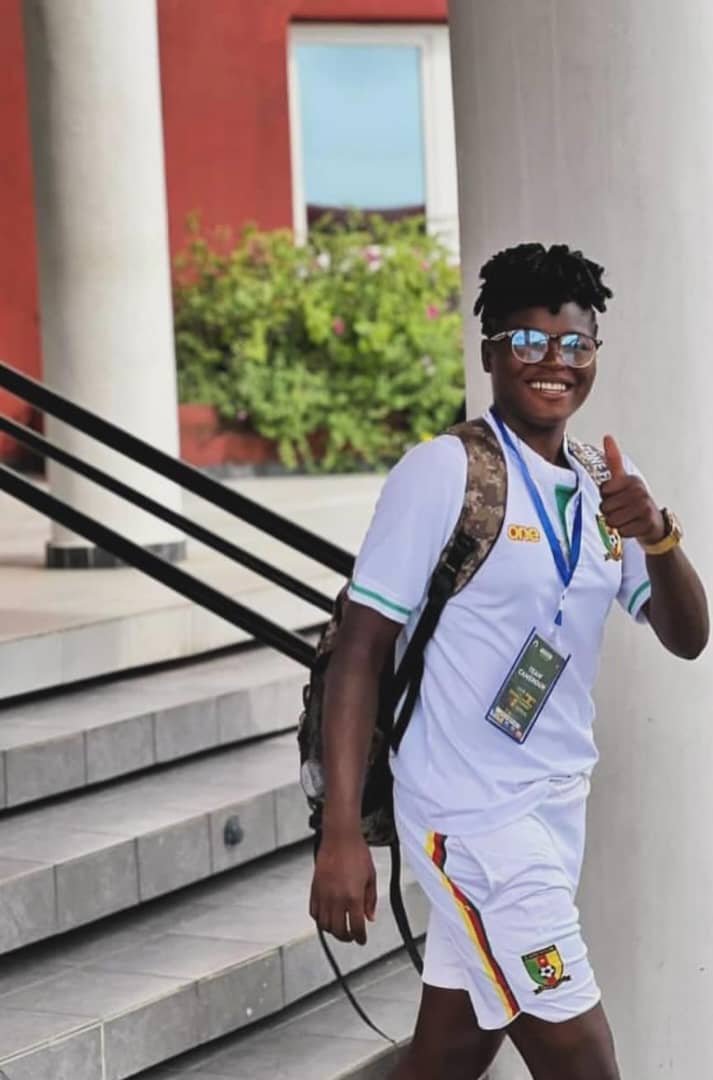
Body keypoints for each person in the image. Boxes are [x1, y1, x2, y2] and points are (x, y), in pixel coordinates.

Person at [309, 243, 708, 1080]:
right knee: (581, 1059)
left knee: (449, 1055)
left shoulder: (604, 481)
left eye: (574, 343)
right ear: (490, 351)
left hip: (554, 805)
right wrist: (339, 833)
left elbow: (687, 635)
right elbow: (359, 652)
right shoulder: (443, 471)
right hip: (468, 814)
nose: (553, 361)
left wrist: (657, 535)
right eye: (528, 341)